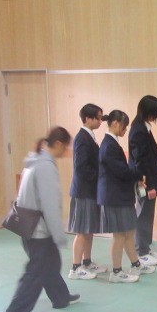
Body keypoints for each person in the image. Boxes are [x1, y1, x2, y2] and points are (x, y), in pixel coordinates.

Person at [2, 127, 78, 312]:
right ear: (58, 144)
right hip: (39, 229)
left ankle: (60, 297)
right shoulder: (45, 167)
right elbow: (50, 205)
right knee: (36, 271)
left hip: (29, 225)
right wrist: (58, 235)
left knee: (51, 263)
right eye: (66, 147)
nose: (66, 151)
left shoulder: (35, 161)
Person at [98, 110, 154, 283]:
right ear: (115, 123)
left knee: (129, 232)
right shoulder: (108, 146)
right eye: (124, 126)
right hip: (114, 197)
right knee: (119, 235)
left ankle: (136, 264)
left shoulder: (112, 143)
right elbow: (121, 171)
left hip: (121, 195)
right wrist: (138, 174)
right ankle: (116, 272)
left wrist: (136, 176)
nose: (125, 129)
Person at [68, 103, 107, 280]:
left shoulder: (89, 137)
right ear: (88, 118)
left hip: (91, 191)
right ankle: (75, 268)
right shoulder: (82, 138)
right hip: (83, 192)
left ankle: (87, 262)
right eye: (98, 118)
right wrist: (99, 177)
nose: (100, 121)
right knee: (82, 231)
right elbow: (81, 167)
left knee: (89, 229)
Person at [128, 95, 157, 267]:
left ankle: (146, 248)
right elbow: (140, 160)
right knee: (143, 214)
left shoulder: (144, 128)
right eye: (155, 113)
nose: (156, 116)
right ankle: (141, 252)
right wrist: (148, 185)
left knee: (148, 214)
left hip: (149, 181)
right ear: (147, 112)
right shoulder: (138, 130)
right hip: (144, 182)